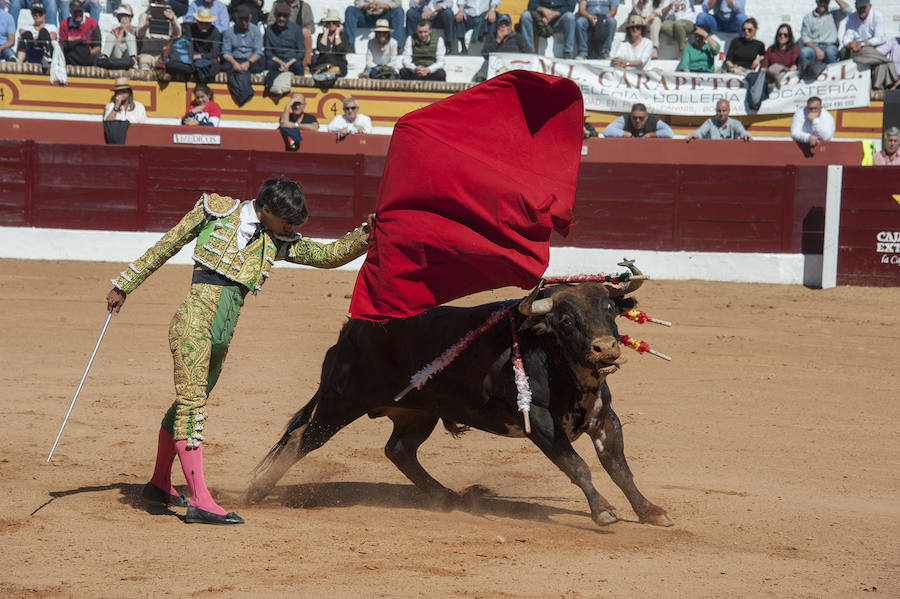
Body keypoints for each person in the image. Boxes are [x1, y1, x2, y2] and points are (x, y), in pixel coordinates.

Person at [106, 177, 373, 525]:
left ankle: (158, 484)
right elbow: (167, 245)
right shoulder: (215, 213)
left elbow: (326, 256)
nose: (291, 228)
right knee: (191, 408)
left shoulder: (276, 239)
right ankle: (200, 501)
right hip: (193, 326)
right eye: (287, 221)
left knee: (186, 404)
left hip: (221, 336)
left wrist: (365, 236)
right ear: (265, 209)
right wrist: (124, 285)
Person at [841, 0, 898, 90]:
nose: (861, 10)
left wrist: (862, 44)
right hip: (856, 49)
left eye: (864, 7)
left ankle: (877, 87)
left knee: (877, 60)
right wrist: (850, 44)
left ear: (870, 6)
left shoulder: (877, 16)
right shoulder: (851, 17)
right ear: (856, 8)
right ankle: (881, 85)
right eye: (859, 8)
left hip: (871, 48)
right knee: (882, 62)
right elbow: (846, 37)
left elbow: (880, 38)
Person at [798, 0, 851, 76]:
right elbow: (805, 37)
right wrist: (816, 49)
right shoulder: (808, 17)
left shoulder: (834, 14)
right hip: (813, 47)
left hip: (830, 46)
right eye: (821, 1)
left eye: (826, 1)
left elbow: (848, 10)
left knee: (831, 52)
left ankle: (832, 77)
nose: (823, 4)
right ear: (816, 1)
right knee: (804, 52)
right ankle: (805, 76)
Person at [472, 12, 528, 81]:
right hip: (496, 66)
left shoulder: (518, 37)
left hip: (514, 66)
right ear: (497, 26)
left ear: (510, 26)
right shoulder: (492, 37)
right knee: (480, 75)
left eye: (506, 24)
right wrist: (498, 40)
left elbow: (528, 53)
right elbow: (485, 54)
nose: (504, 26)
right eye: (501, 24)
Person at [267, 0, 314, 72]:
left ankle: (305, 65)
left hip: (298, 36)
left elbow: (311, 26)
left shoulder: (305, 7)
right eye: (279, 15)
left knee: (307, 37)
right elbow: (270, 22)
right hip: (280, 34)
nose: (282, 17)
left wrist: (305, 30)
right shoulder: (278, 4)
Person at [135, 5, 180, 70]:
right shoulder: (144, 16)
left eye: (159, 1)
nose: (156, 2)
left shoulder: (172, 16)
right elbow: (138, 34)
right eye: (153, 0)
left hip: (163, 55)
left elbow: (177, 34)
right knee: (144, 64)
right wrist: (146, 25)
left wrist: (172, 21)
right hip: (147, 53)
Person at [223, 4, 264, 75]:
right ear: (237, 18)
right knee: (228, 67)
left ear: (250, 18)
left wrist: (248, 63)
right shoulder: (229, 32)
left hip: (251, 60)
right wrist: (234, 63)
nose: (243, 22)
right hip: (235, 59)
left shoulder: (256, 30)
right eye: (241, 19)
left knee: (257, 66)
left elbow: (258, 52)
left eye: (246, 19)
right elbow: (226, 52)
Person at [311, 8, 351, 77]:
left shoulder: (344, 36)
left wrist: (337, 34)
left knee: (334, 59)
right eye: (329, 22)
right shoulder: (321, 36)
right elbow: (322, 49)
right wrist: (325, 34)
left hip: (339, 63)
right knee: (327, 57)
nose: (331, 24)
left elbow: (340, 50)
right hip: (323, 62)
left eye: (334, 22)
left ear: (338, 24)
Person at [59, 0, 100, 66]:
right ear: (70, 11)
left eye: (79, 11)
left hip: (87, 57)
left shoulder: (93, 24)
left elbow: (97, 46)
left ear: (83, 10)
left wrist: (85, 54)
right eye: (75, 12)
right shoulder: (64, 24)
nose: (78, 14)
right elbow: (62, 44)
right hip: (70, 57)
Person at [686, 99, 751, 141]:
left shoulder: (735, 123)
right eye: (719, 111)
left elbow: (743, 132)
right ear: (716, 111)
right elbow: (700, 132)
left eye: (724, 111)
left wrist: (746, 135)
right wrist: (695, 135)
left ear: (729, 111)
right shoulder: (710, 122)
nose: (721, 113)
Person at [185, 7, 222, 81]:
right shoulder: (191, 29)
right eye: (201, 23)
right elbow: (188, 47)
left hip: (208, 60)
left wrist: (200, 56)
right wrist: (195, 56)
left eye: (207, 23)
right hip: (193, 59)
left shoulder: (215, 32)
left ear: (211, 23)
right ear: (197, 21)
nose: (204, 25)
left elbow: (215, 53)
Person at [16, 1, 57, 66]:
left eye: (40, 13)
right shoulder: (25, 27)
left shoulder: (51, 27)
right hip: (30, 52)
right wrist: (38, 39)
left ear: (45, 14)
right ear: (32, 14)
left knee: (43, 32)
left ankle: (47, 57)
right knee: (27, 34)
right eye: (34, 13)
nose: (37, 15)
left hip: (43, 51)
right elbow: (22, 36)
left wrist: (34, 39)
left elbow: (52, 37)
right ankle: (19, 61)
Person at [603, 102, 673, 138]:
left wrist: (650, 135)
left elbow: (669, 133)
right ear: (631, 116)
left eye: (641, 118)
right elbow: (607, 131)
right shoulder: (625, 119)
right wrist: (627, 134)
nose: (637, 121)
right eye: (634, 118)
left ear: (646, 117)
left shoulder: (654, 120)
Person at [761, 23, 799, 87]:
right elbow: (763, 67)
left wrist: (785, 73)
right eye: (780, 34)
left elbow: (795, 65)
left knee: (777, 68)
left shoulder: (794, 48)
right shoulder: (771, 49)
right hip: (772, 72)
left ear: (789, 36)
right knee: (773, 68)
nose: (782, 37)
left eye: (785, 35)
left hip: (786, 72)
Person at [100, 4, 138, 68]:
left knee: (130, 37)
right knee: (111, 37)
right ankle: (104, 58)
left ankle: (133, 60)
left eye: (127, 16)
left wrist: (127, 31)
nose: (125, 18)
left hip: (127, 56)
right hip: (117, 55)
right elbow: (118, 44)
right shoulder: (114, 30)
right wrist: (122, 31)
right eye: (123, 16)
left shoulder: (135, 29)